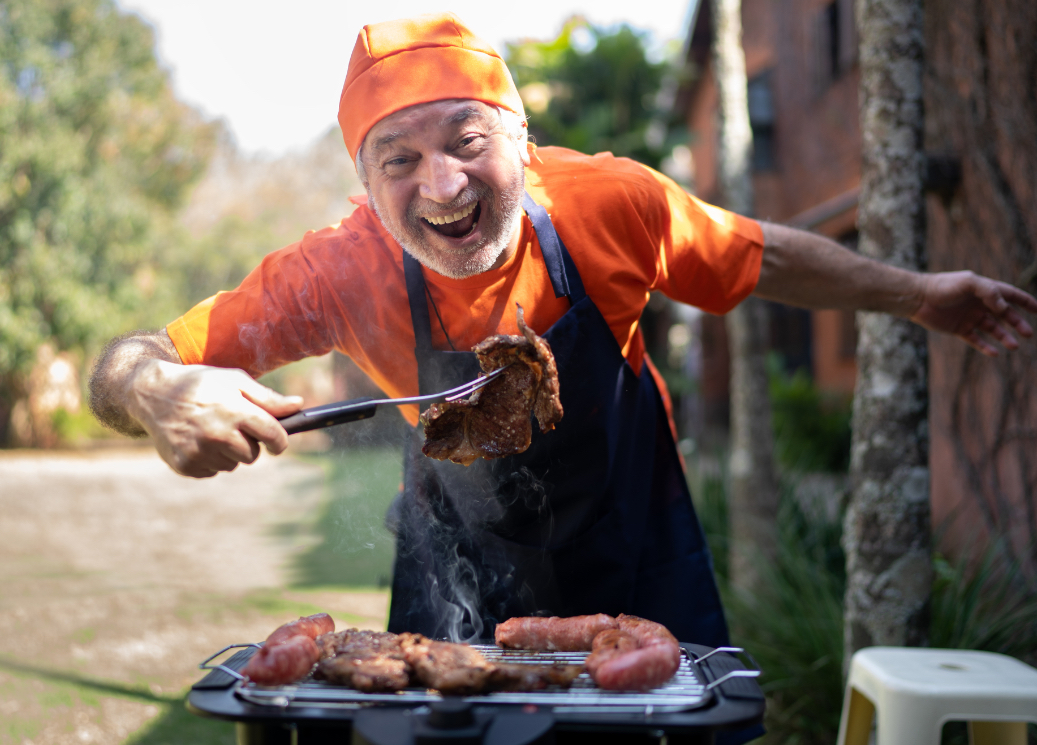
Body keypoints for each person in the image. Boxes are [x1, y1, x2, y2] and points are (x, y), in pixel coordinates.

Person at [90, 6, 1034, 672]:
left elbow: (766, 257)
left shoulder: (609, 206)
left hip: (634, 541)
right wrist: (154, 391)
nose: (444, 188)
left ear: (521, 138)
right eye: (399, 161)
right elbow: (125, 361)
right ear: (366, 186)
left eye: (466, 141)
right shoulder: (336, 273)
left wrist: (919, 296)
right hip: (456, 558)